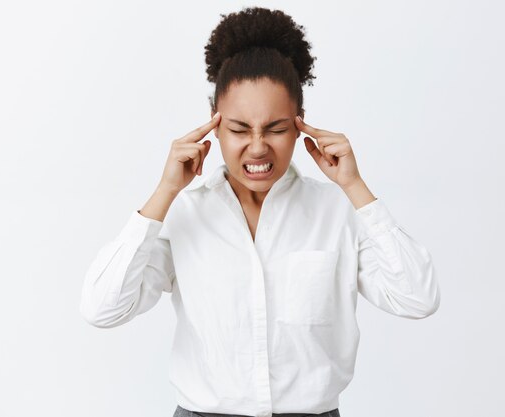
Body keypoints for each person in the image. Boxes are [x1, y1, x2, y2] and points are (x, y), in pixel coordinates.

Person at [79, 6, 441, 417]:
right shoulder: (184, 215)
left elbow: (418, 299)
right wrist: (165, 192)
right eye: (238, 129)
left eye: (275, 128)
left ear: (300, 125)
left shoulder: (335, 212)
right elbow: (102, 309)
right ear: (213, 126)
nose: (256, 147)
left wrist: (356, 189)